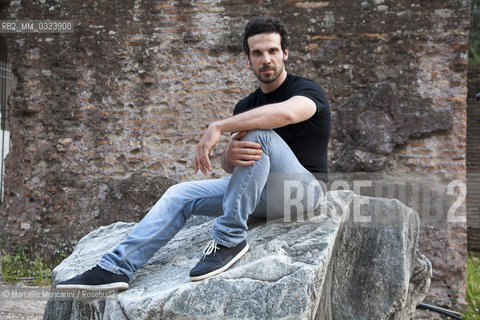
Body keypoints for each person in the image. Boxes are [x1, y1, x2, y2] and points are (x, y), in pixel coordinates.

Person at [56, 16, 331, 292]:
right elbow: (233, 167)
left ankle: (228, 238)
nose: (266, 59)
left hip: (302, 191)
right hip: (262, 198)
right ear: (248, 59)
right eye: (257, 53)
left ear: (285, 53)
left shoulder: (306, 90)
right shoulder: (246, 105)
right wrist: (228, 155)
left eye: (272, 51)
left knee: (259, 134)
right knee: (180, 194)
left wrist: (219, 126)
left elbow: (287, 113)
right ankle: (115, 267)